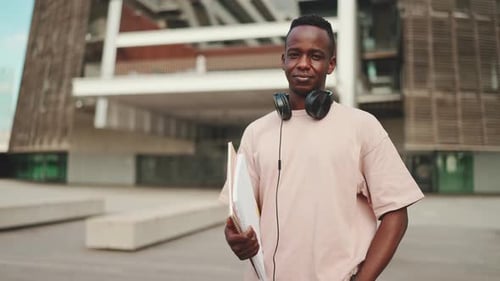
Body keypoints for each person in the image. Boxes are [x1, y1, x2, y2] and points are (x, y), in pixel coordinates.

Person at [221, 14, 424, 281]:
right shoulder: (256, 133)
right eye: (294, 54)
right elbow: (239, 216)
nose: (303, 64)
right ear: (283, 60)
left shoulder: (362, 126)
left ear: (331, 64)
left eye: (315, 56)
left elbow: (396, 214)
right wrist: (234, 238)